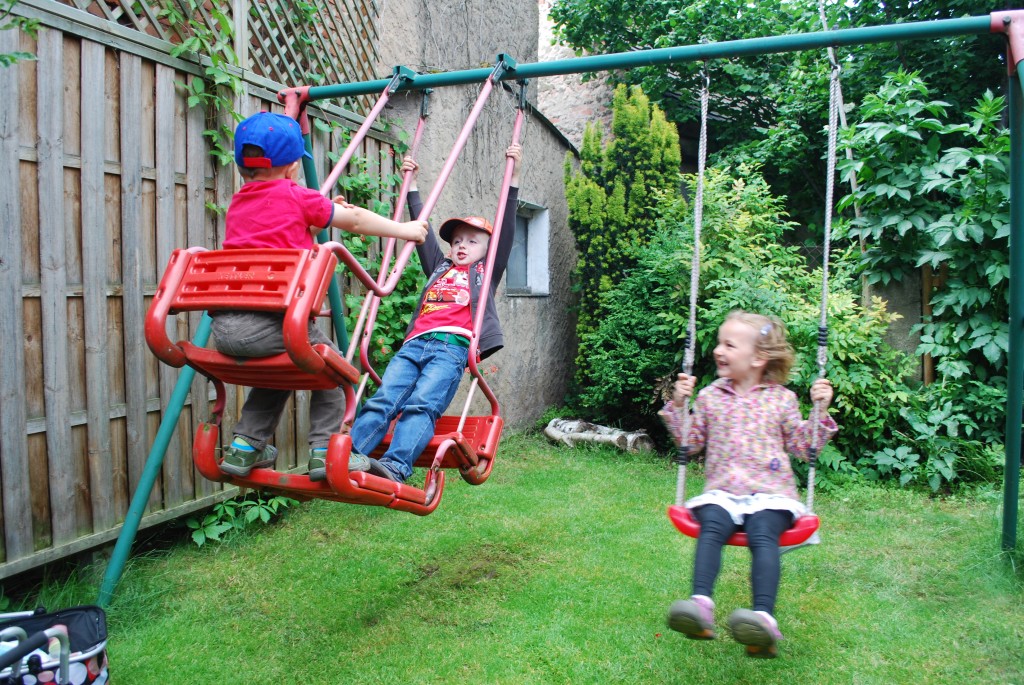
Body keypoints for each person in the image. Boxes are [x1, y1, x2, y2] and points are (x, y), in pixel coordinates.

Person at [211, 111, 428, 481]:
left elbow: (278, 236)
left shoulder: (238, 204)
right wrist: (406, 230)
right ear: (294, 166)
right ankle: (326, 451)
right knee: (335, 372)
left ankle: (245, 446)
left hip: (225, 329)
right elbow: (355, 220)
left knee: (279, 374)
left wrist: (316, 218)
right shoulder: (298, 196)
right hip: (277, 326)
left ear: (242, 166)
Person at [659, 310, 836, 658]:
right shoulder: (710, 396)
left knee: (762, 533)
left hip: (771, 495)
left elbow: (805, 447)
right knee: (712, 524)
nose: (718, 350)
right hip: (723, 493)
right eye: (719, 343)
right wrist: (678, 404)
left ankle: (763, 620)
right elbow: (689, 443)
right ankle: (700, 607)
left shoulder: (782, 399)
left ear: (758, 358)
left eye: (729, 345)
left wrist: (820, 410)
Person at [346, 143, 523, 484]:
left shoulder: (486, 273)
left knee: (422, 403)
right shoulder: (439, 268)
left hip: (450, 349)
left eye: (471, 241)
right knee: (384, 399)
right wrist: (411, 185)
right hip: (414, 345)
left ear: (488, 249)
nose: (461, 245)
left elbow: (506, 229)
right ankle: (350, 455)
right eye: (457, 241)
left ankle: (396, 466)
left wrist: (513, 176)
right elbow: (422, 231)